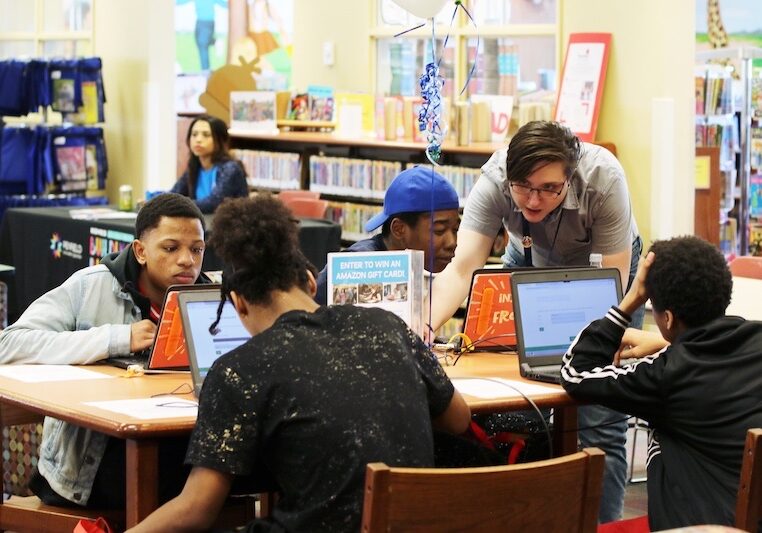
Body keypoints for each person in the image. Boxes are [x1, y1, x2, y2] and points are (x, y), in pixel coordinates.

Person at [128, 196, 470, 532]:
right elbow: (458, 419)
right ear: (309, 281)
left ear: (238, 303)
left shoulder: (239, 369)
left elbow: (195, 510)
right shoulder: (386, 325)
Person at [428, 120, 641, 522]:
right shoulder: (493, 180)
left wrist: (580, 363)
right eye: (523, 186)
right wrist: (423, 329)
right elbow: (462, 270)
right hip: (528, 260)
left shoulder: (604, 178)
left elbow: (609, 293)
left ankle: (602, 527)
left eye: (548, 188)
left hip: (602, 273)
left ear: (569, 175)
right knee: (505, 382)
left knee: (600, 421)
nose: (534, 199)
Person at [0, 193, 210, 508]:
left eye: (197, 250)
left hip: (180, 449)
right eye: (171, 248)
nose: (187, 261)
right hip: (91, 469)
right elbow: (9, 343)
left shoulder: (210, 299)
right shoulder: (91, 286)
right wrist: (115, 338)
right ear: (140, 251)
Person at [561, 236, 762, 531]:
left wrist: (629, 302)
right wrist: (666, 345)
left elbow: (575, 373)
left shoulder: (665, 376)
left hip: (698, 526)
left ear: (666, 318)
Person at [315, 165, 460, 305]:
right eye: (439, 230)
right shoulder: (361, 267)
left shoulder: (406, 266)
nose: (452, 242)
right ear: (399, 229)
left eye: (455, 230)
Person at [171, 114, 248, 214]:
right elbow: (174, 193)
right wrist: (152, 199)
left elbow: (212, 204)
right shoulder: (195, 167)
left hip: (226, 226)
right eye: (194, 134)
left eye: (206, 135)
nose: (198, 140)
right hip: (204, 223)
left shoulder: (230, 168)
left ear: (220, 140)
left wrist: (177, 205)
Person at [176, 0, 227, 71]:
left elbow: (223, 4)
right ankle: (215, 42)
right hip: (203, 22)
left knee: (202, 45)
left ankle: (205, 70)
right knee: (200, 42)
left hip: (204, 22)